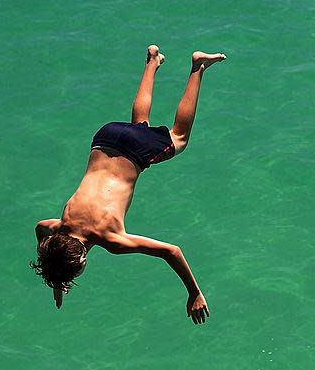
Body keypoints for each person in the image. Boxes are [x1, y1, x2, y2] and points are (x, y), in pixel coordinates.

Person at [31, 45, 226, 325]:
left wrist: (194, 292)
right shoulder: (60, 225)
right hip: (105, 137)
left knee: (179, 138)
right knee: (140, 124)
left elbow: (171, 251)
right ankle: (152, 60)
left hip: (134, 152)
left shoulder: (110, 239)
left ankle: (198, 67)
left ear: (81, 261)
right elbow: (40, 229)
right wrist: (55, 276)